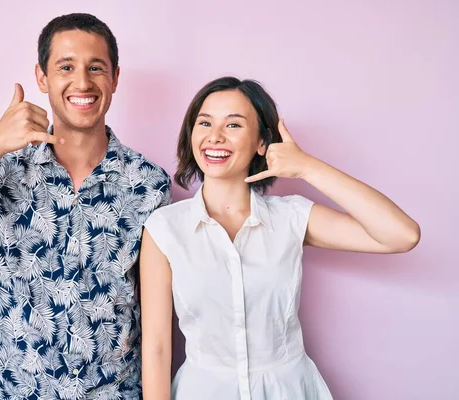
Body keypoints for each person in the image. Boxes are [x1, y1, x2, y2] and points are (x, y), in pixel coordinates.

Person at [0, 13, 171, 400]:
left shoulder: (148, 184)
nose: (82, 82)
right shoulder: (7, 168)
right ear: (42, 77)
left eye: (96, 68)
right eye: (66, 67)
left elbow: (158, 329)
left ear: (115, 78)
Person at [139, 76, 420, 399]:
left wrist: (308, 168)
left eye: (233, 125)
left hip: (290, 389)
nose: (214, 136)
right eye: (204, 123)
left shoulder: (290, 218)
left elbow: (402, 235)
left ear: (262, 143)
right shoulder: (164, 228)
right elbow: (158, 346)